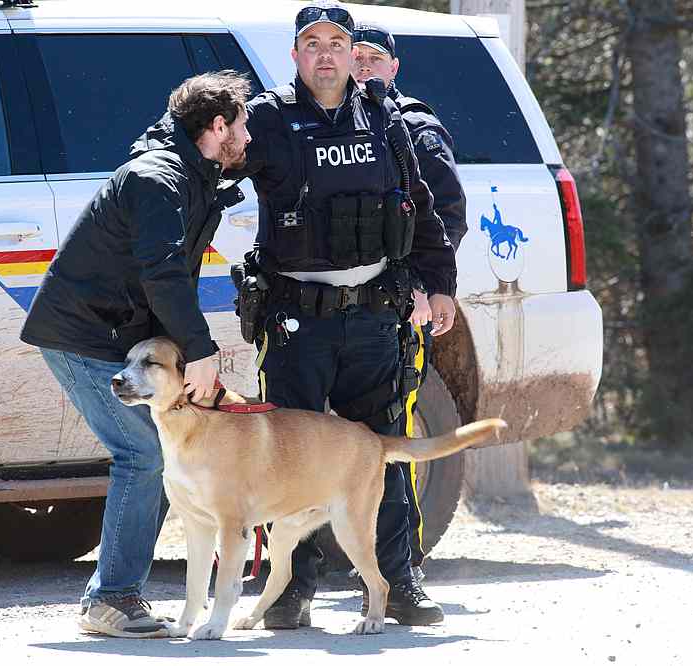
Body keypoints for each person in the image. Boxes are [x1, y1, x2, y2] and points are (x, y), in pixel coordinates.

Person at [227, 0, 457, 629]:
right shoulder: (269, 120)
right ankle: (292, 589)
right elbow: (207, 165)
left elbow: (421, 205)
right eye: (312, 43)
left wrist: (439, 283)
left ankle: (398, 581)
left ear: (355, 54)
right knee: (287, 459)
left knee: (383, 449)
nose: (326, 54)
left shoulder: (384, 116)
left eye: (337, 42)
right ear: (296, 55)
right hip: (296, 316)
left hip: (374, 315)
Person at [19, 71, 252, 638]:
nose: (249, 138)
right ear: (217, 126)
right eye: (243, 126)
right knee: (143, 452)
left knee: (155, 449)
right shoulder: (158, 179)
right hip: (83, 334)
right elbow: (164, 277)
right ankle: (112, 599)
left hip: (115, 335)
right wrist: (197, 351)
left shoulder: (192, 176)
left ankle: (118, 594)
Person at [351, 22, 468, 578]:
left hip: (404, 304)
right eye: (356, 57)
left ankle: (403, 563)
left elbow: (444, 216)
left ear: (394, 68)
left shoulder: (414, 129)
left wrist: (428, 287)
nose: (363, 67)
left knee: (396, 431)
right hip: (351, 303)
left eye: (375, 58)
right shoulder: (338, 126)